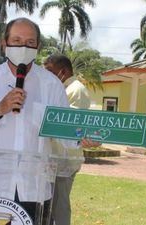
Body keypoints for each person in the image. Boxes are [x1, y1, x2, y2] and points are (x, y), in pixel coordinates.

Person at [0, 18, 80, 223]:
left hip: (35, 192)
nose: (23, 47)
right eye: (16, 40)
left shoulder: (52, 85)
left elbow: (66, 134)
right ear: (4, 44)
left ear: (38, 47)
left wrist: (81, 137)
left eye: (30, 42)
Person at [44, 54, 97, 225]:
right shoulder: (59, 88)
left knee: (59, 208)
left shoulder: (75, 90)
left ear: (63, 71)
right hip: (53, 159)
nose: (47, 76)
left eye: (50, 71)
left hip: (64, 160)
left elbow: (70, 127)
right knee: (48, 207)